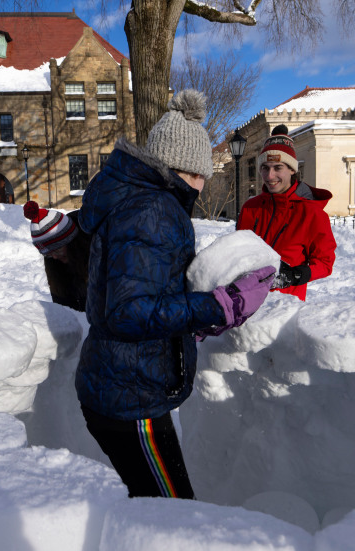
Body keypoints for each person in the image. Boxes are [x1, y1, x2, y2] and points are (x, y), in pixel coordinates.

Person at [75, 90, 275, 499]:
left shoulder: (134, 199)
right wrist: (220, 305)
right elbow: (129, 311)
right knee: (173, 513)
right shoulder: (153, 210)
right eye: (200, 174)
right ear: (184, 168)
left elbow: (141, 288)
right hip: (132, 396)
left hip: (122, 384)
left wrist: (193, 319)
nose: (203, 185)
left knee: (155, 505)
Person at [237, 125, 336, 301]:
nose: (269, 175)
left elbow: (325, 263)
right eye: (265, 168)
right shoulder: (250, 208)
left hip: (282, 308)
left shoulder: (312, 213)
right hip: (244, 303)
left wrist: (296, 275)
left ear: (292, 169)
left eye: (277, 167)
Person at [23, 201, 91, 311]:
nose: (54, 257)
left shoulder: (94, 244)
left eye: (57, 251)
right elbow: (62, 301)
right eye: (49, 254)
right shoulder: (55, 262)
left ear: (70, 242)